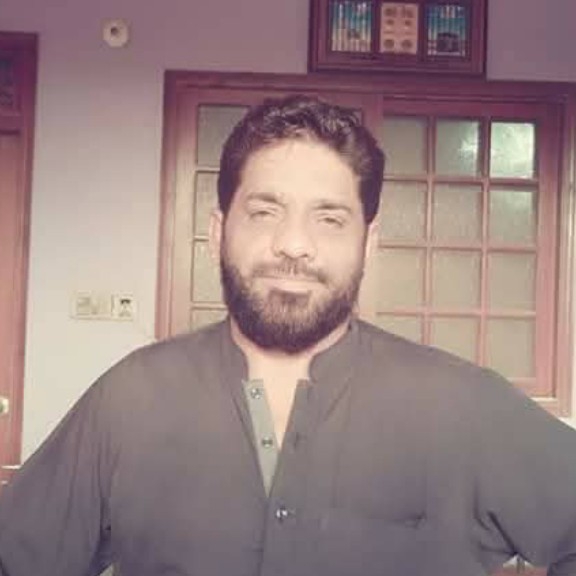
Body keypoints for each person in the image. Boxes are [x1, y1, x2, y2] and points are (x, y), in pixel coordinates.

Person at [0, 95, 575, 576]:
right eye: (265, 212)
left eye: (329, 219)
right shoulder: (131, 397)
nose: (294, 244)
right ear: (218, 232)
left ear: (368, 243)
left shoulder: (463, 404)